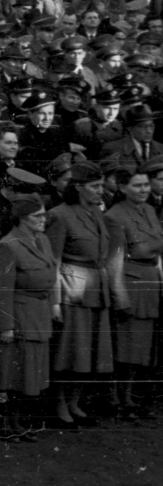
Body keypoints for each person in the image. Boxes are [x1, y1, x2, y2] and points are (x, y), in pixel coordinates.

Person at [0, 195, 56, 440]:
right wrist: (5, 326)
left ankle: (17, 423)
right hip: (18, 318)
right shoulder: (8, 245)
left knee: (26, 376)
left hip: (38, 315)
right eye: (37, 216)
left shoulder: (42, 239)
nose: (43, 220)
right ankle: (5, 424)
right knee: (7, 376)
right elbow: (0, 289)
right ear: (22, 219)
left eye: (44, 215)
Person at [44, 160, 113, 427]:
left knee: (90, 353)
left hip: (97, 288)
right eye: (94, 187)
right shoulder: (60, 215)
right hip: (73, 290)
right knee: (69, 353)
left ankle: (75, 402)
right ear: (79, 187)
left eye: (101, 186)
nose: (100, 191)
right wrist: (55, 302)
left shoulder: (96, 213)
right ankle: (60, 405)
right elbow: (55, 262)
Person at [103, 167, 163, 417]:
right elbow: (113, 261)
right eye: (137, 186)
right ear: (123, 188)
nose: (143, 190)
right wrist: (120, 295)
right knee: (123, 347)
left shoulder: (149, 210)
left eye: (146, 185)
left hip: (150, 282)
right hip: (130, 282)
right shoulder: (115, 216)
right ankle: (115, 399)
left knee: (139, 347)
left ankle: (128, 397)